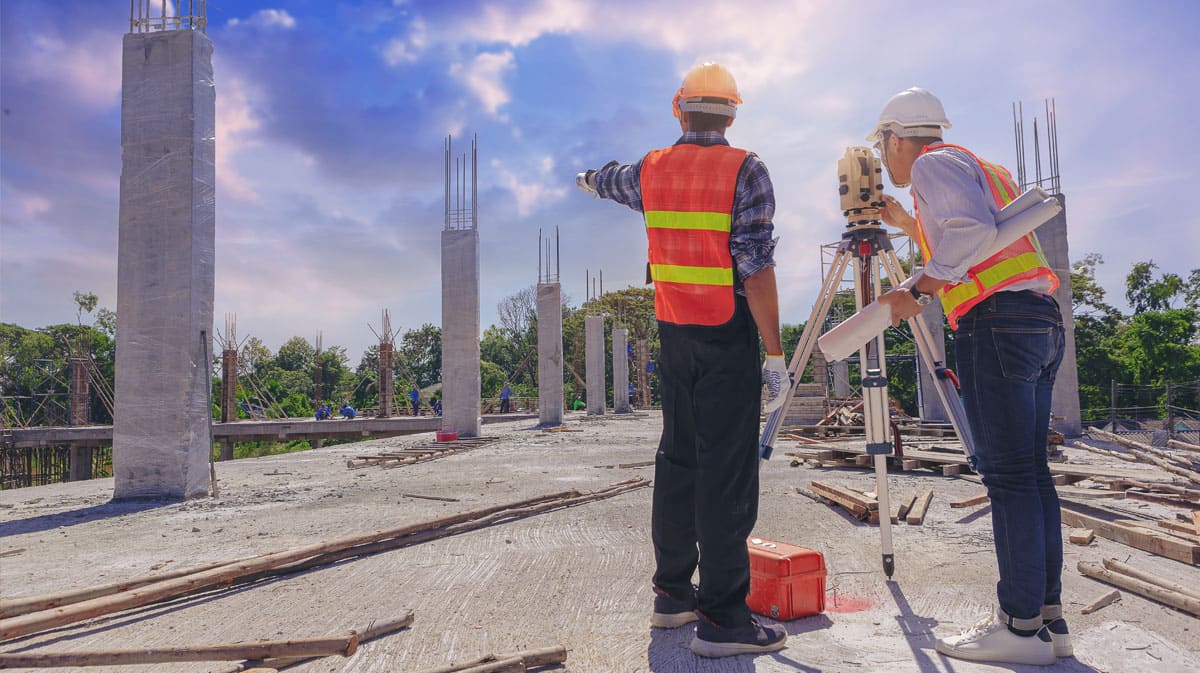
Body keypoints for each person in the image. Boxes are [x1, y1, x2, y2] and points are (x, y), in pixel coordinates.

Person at [578, 62, 789, 658]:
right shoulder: (746, 169)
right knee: (726, 471)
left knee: (678, 459)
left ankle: (672, 596)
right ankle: (723, 621)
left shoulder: (650, 169)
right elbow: (755, 266)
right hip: (726, 334)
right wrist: (774, 353)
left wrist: (588, 179)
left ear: (679, 108)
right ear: (733, 112)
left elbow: (609, 179)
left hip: (674, 334)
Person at [870, 87, 1066, 666]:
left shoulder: (932, 162)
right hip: (1034, 320)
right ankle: (1047, 622)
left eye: (883, 148)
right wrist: (908, 222)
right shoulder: (984, 167)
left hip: (996, 323)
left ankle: (1019, 628)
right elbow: (978, 232)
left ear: (896, 138)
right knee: (1030, 475)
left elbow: (969, 235)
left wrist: (917, 290)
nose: (886, 160)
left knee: (1007, 479)